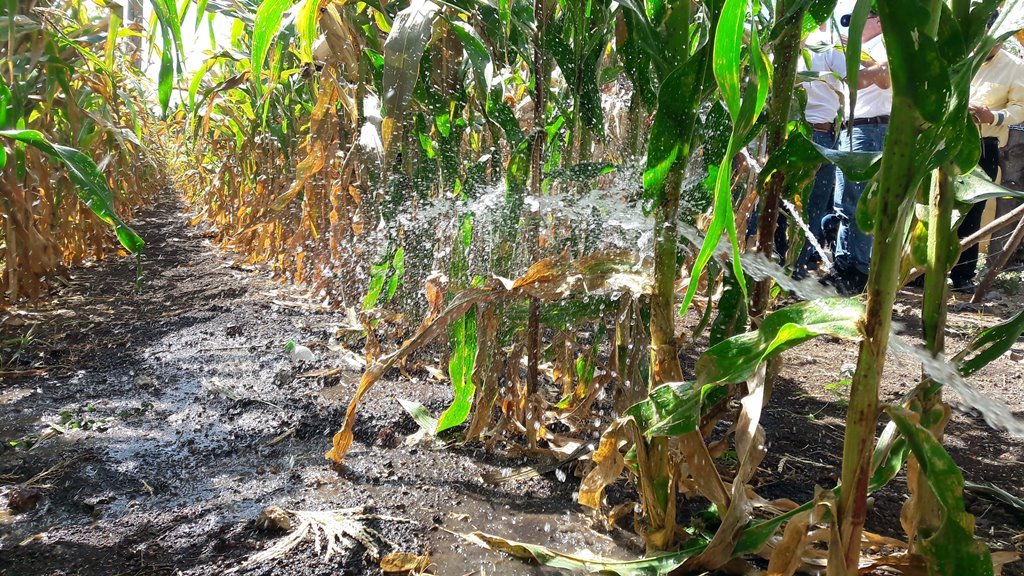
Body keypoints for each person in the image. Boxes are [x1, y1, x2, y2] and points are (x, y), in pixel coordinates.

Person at [823, 10, 892, 295]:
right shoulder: (859, 50)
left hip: (870, 129)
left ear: (878, 20)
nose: (855, 25)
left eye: (864, 16)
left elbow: (878, 78)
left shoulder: (886, 45)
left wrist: (860, 71)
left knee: (861, 201)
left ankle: (859, 270)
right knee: (844, 201)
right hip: (851, 127)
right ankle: (843, 264)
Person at [951, 42, 1024, 292]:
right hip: (946, 143)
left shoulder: (1015, 67)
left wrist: (992, 116)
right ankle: (921, 271)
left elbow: (1020, 108)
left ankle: (962, 275)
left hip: (983, 146)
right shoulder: (958, 57)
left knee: (972, 211)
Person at [793, 25, 845, 280]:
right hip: (819, 134)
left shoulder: (782, 42)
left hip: (794, 134)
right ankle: (795, 269)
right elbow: (859, 82)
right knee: (812, 207)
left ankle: (780, 266)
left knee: (784, 203)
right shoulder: (832, 44)